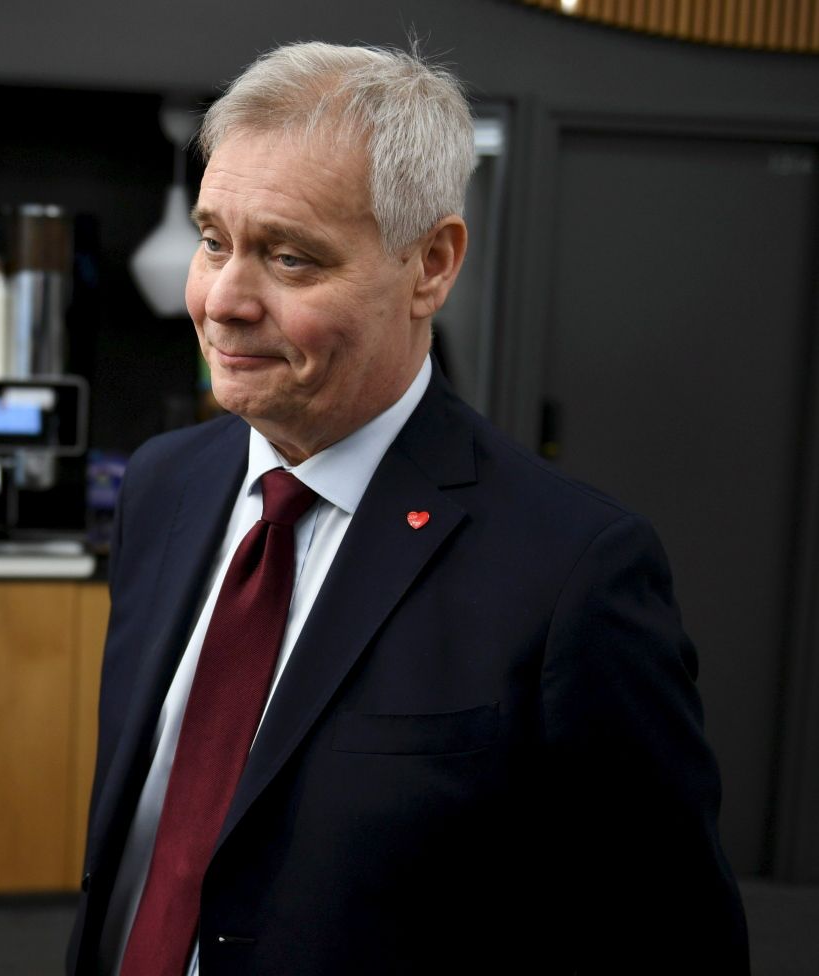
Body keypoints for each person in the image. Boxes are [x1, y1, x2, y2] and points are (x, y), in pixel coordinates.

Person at [69, 42, 748, 975]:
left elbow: (669, 940)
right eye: (213, 240)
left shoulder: (572, 572)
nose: (221, 301)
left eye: (289, 257)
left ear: (429, 264)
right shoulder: (164, 484)